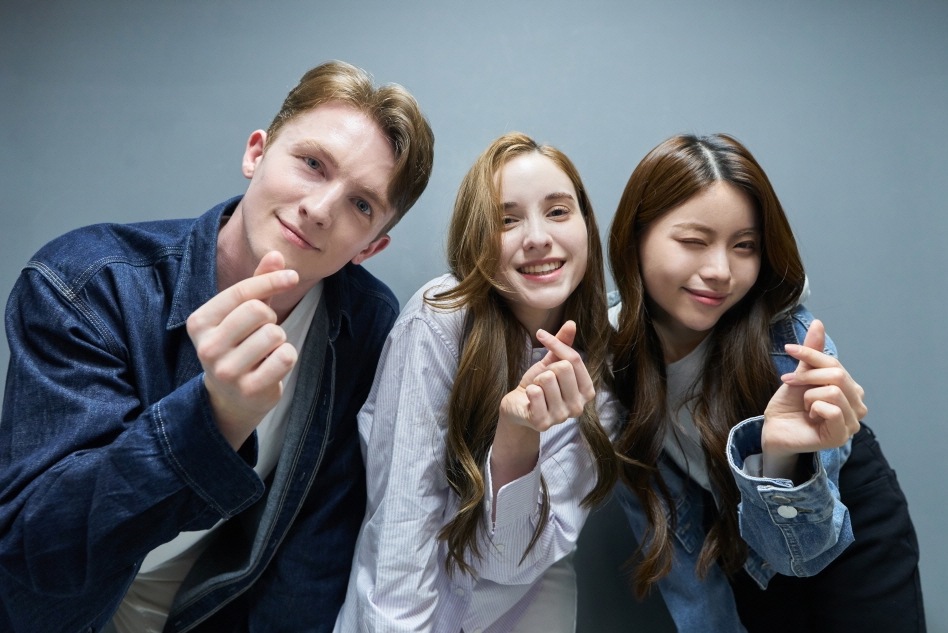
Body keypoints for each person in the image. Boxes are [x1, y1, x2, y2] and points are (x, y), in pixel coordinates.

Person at [0, 61, 434, 633]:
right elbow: (35, 546)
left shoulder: (366, 322)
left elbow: (314, 547)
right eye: (311, 164)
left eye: (361, 205)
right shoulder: (84, 283)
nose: (321, 208)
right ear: (257, 153)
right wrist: (214, 418)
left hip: (208, 609)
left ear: (370, 247)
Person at [607, 134, 924, 632]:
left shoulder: (789, 340)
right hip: (739, 545)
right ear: (635, 237)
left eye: (745, 246)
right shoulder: (610, 361)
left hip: (840, 525)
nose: (720, 272)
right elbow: (676, 547)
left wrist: (780, 458)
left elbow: (802, 552)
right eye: (693, 241)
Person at [334, 132, 618, 633]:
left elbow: (508, 565)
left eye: (557, 211)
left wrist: (517, 441)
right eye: (507, 220)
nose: (536, 237)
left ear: (587, 227)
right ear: (477, 239)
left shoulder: (612, 366)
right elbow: (402, 528)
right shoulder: (439, 320)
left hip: (510, 611)